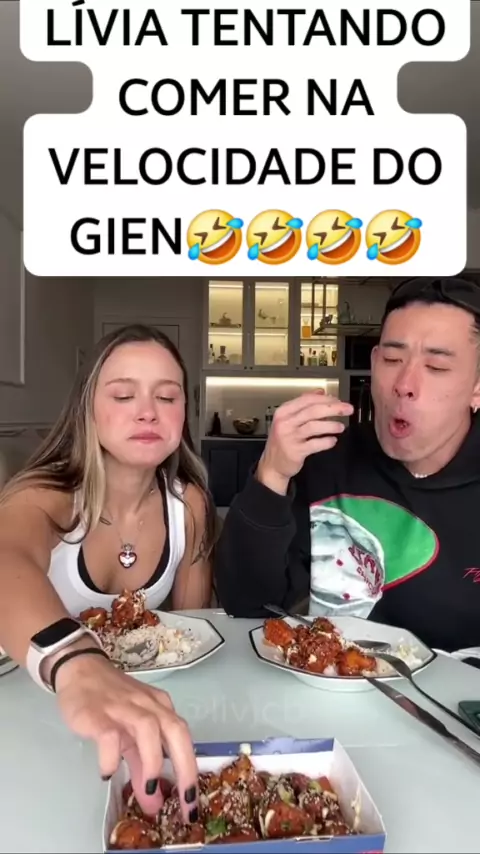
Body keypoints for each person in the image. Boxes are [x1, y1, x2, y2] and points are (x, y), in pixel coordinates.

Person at [0, 323, 217, 821]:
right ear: (88, 410)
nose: (148, 411)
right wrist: (78, 663)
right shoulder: (45, 495)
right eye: (123, 395)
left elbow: (192, 634)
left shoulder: (190, 505)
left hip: (138, 724)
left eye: (167, 396)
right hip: (29, 719)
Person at [214, 277, 480, 653]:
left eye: (436, 367)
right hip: (329, 685)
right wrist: (271, 475)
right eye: (392, 360)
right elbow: (246, 606)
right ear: (374, 364)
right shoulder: (323, 462)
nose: (404, 383)